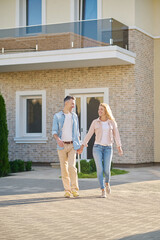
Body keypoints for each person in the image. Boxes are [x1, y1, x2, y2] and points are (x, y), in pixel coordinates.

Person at [78, 103, 123, 198]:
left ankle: (107, 183)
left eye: (101, 109)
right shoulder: (95, 122)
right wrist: (82, 145)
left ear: (106, 111)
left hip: (108, 148)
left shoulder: (111, 122)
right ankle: (102, 190)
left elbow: (116, 135)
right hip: (97, 147)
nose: (99, 111)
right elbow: (89, 134)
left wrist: (119, 146)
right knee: (100, 169)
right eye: (99, 109)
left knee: (107, 169)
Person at [52, 96, 80, 198]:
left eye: (74, 103)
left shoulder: (74, 116)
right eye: (72, 103)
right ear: (66, 103)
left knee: (72, 167)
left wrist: (79, 146)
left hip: (72, 145)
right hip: (62, 146)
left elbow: (77, 133)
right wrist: (58, 139)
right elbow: (54, 131)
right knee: (64, 169)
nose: (74, 105)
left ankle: (74, 189)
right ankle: (67, 190)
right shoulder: (58, 116)